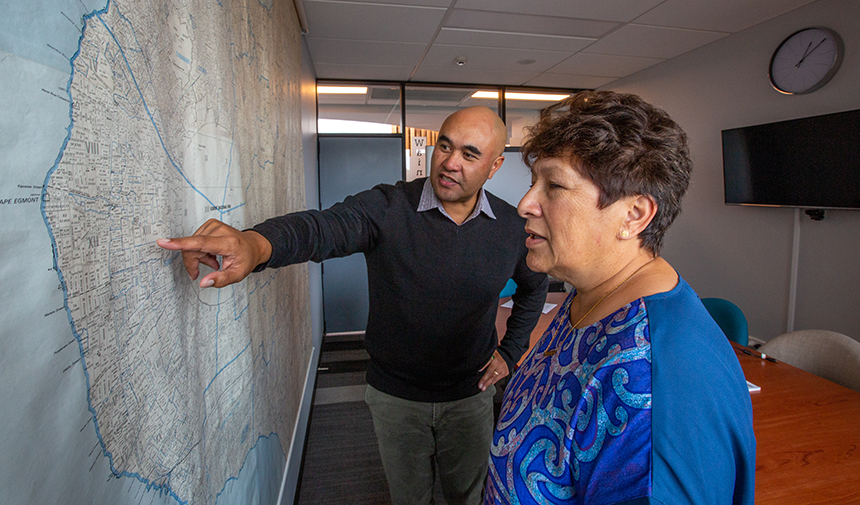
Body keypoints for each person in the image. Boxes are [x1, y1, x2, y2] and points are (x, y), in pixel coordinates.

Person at [156, 106, 549, 505]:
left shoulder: (511, 228)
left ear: (495, 165)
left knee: (468, 497)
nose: (449, 163)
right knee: (409, 498)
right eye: (444, 146)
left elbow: (535, 288)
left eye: (469, 154)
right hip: (396, 399)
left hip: (471, 396)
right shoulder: (388, 207)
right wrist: (256, 245)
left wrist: (509, 353)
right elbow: (321, 228)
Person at [484, 91, 756, 505]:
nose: (524, 204)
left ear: (634, 215)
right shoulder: (589, 300)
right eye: (533, 182)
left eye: (554, 185)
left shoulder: (654, 380)